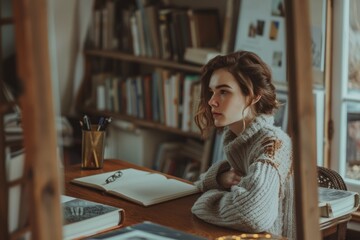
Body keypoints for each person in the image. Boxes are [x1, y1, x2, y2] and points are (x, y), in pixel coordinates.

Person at [191, 51, 295, 239]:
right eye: (212, 92)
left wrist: (204, 201)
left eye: (224, 92)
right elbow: (201, 184)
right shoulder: (241, 139)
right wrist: (221, 179)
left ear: (253, 96)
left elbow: (250, 214)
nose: (211, 101)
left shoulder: (273, 144)